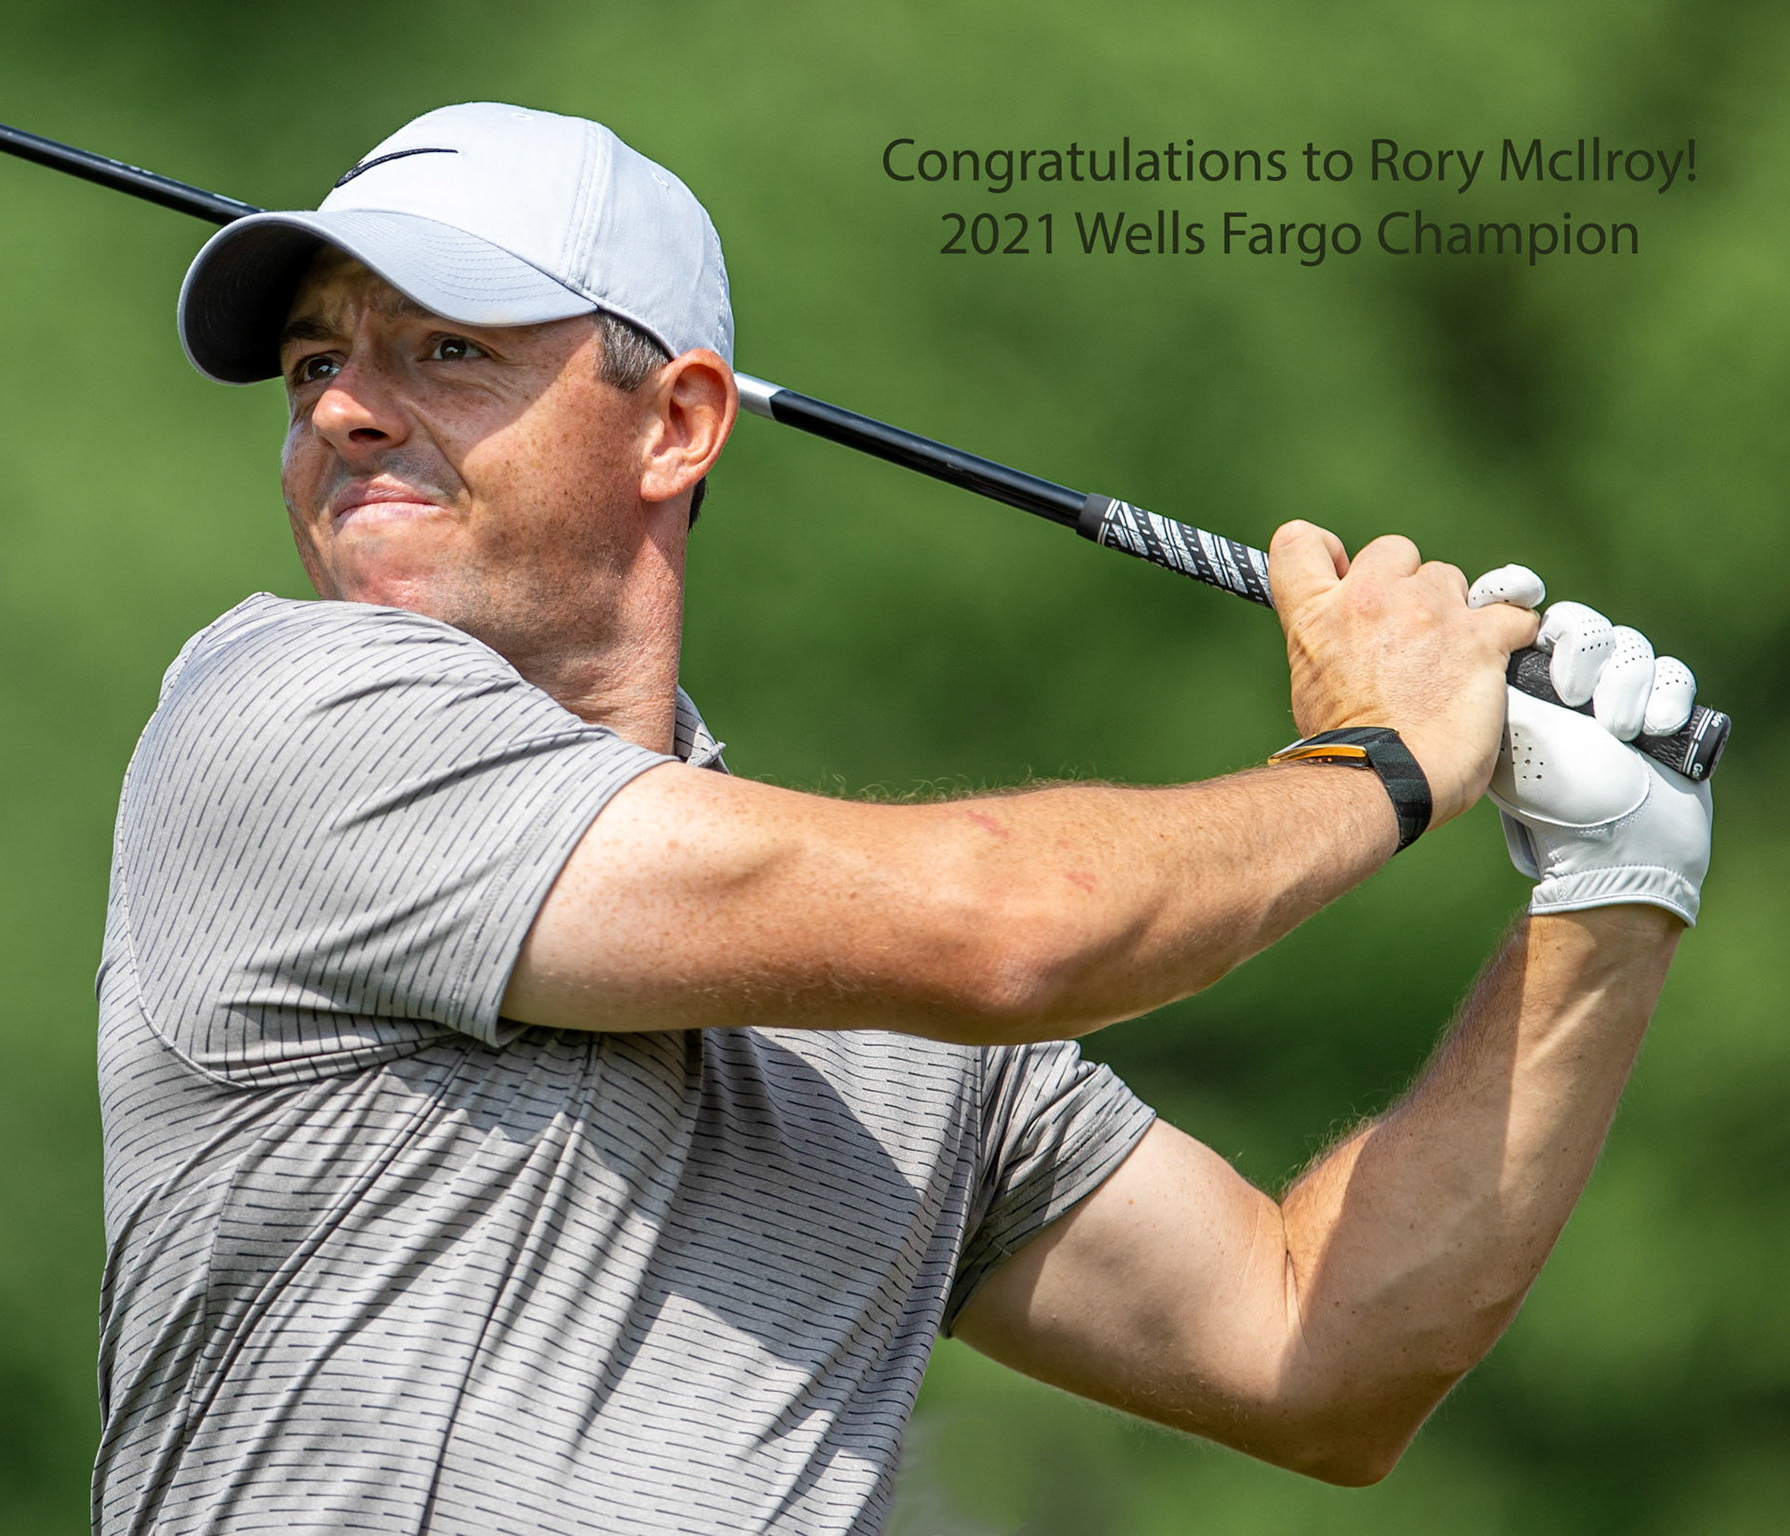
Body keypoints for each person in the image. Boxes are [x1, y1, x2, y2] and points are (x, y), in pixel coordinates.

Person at [93, 102, 1713, 1535]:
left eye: (446, 348)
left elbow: (1321, 1355)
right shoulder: (283, 718)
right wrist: (1386, 755)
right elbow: (1007, 930)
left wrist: (1613, 889)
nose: (344, 412)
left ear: (678, 423)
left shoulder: (876, 1019)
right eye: (317, 363)